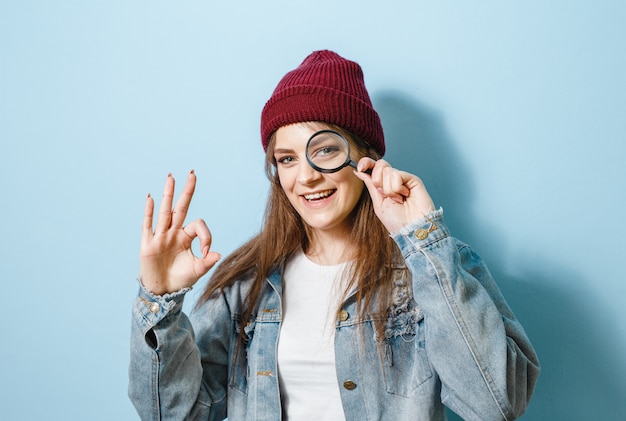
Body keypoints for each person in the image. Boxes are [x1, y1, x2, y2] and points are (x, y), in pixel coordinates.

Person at [128, 50, 540, 421]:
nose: (305, 176)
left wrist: (423, 241)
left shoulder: (432, 266)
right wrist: (159, 301)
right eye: (286, 159)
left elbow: (495, 404)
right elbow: (176, 417)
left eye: (324, 149)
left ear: (365, 156)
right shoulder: (246, 286)